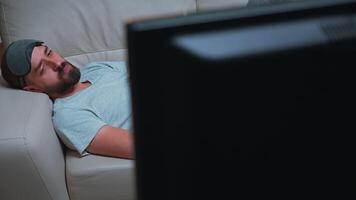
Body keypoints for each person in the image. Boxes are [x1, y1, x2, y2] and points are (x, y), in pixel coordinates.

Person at [1, 39, 134, 159]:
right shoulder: (69, 116)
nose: (57, 63)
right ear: (33, 89)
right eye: (43, 68)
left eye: (49, 53)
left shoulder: (95, 68)